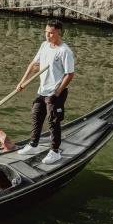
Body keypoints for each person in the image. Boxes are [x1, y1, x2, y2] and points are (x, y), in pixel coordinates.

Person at [15, 19, 75, 165]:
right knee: (36, 113)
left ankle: (55, 151)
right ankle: (33, 144)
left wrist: (58, 91)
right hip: (42, 90)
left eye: (51, 33)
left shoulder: (64, 51)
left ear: (59, 33)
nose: (47, 36)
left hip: (55, 92)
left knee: (53, 121)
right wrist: (22, 82)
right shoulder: (44, 45)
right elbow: (34, 64)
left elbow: (70, 74)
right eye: (46, 32)